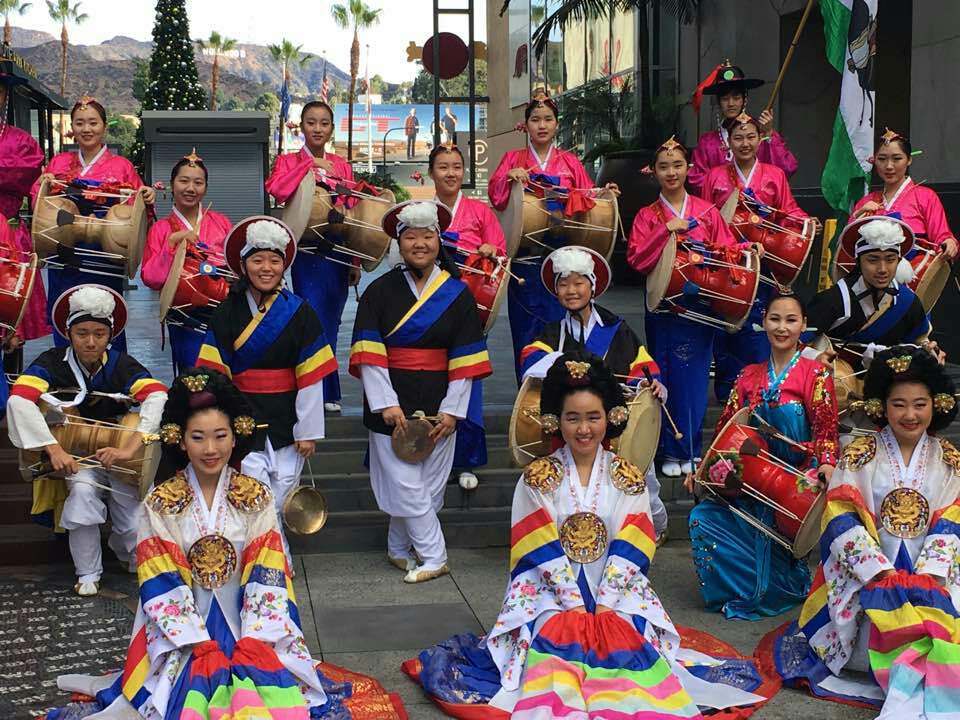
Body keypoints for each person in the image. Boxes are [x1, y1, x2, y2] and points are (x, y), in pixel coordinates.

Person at [404, 353, 771, 717]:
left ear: (610, 417)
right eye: (573, 418)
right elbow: (537, 545)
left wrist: (606, 604)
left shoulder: (628, 476)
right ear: (555, 420)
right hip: (549, 592)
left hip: (616, 589)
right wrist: (574, 605)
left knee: (625, 639)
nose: (584, 429)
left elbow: (634, 542)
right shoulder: (536, 478)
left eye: (593, 417)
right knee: (555, 641)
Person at [40, 368, 407, 719]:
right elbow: (159, 577)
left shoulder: (256, 496)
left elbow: (269, 570)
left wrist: (256, 637)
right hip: (184, 629)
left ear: (236, 436)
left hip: (252, 622)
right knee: (177, 698)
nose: (210, 448)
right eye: (198, 437)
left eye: (220, 435)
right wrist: (193, 639)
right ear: (180, 439)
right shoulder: (161, 501)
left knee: (271, 690)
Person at [767, 344, 960, 716]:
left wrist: (930, 576)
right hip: (871, 571)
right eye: (899, 404)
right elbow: (842, 517)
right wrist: (878, 572)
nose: (910, 414)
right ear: (881, 406)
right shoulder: (859, 454)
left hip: (932, 570)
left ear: (935, 405)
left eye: (920, 404)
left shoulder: (948, 460)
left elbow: (952, 519)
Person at [349, 200, 492, 583]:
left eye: (427, 236)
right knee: (406, 484)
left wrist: (453, 410)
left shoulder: (457, 293)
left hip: (440, 402)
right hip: (391, 402)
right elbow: (369, 352)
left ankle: (398, 548)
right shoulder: (378, 291)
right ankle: (434, 556)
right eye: (410, 236)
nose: (419, 244)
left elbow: (465, 356)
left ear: (438, 240)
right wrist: (385, 404)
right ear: (399, 242)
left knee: (427, 487)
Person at [683, 293, 840, 619]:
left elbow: (826, 428)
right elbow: (726, 431)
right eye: (775, 319)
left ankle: (780, 585)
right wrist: (702, 470)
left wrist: (826, 462)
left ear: (804, 325)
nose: (782, 328)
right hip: (750, 480)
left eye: (791, 320)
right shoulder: (747, 376)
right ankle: (738, 589)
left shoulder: (816, 373)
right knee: (702, 517)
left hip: (795, 478)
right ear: (763, 322)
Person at [7, 284, 167, 596]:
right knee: (81, 495)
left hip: (116, 450)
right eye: (82, 333)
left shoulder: (121, 363)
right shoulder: (53, 361)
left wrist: (129, 449)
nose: (91, 342)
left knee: (132, 518)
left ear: (110, 335)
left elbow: (158, 395)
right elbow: (19, 399)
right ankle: (88, 572)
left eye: (99, 334)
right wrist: (54, 450)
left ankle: (129, 556)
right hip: (75, 453)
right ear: (69, 333)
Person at [519, 245, 670, 541]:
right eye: (564, 284)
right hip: (574, 424)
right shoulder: (550, 332)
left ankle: (654, 527)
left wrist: (647, 383)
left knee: (641, 478)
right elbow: (530, 362)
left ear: (592, 286)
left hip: (615, 420)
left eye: (578, 283)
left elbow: (642, 365)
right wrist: (569, 364)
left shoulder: (616, 328)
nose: (571, 291)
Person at [196, 216, 336, 531]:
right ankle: (270, 558)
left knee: (284, 495)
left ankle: (272, 557)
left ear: (284, 265)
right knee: (252, 499)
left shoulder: (300, 312)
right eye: (257, 260)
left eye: (274, 261)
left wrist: (308, 430)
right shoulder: (226, 311)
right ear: (243, 265)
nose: (266, 268)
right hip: (242, 416)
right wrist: (221, 425)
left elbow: (311, 378)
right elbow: (214, 376)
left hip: (289, 417)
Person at [627, 136, 750, 478]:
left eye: (678, 165)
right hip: (664, 309)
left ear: (688, 169)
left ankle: (691, 449)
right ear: (653, 172)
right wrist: (665, 231)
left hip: (701, 306)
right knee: (664, 375)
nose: (671, 173)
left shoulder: (708, 212)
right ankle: (669, 449)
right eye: (664, 167)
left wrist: (739, 251)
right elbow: (637, 259)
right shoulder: (647, 215)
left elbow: (728, 251)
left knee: (695, 381)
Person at [488, 90, 618, 382]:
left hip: (563, 260)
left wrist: (604, 193)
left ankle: (564, 391)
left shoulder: (569, 161)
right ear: (525, 126)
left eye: (548, 119)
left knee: (565, 329)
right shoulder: (513, 158)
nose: (542, 125)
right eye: (535, 119)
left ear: (557, 124)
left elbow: (587, 195)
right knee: (527, 332)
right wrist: (509, 177)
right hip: (527, 261)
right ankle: (528, 393)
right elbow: (496, 196)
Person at [31, 95, 156, 353]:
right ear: (72, 127)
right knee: (66, 317)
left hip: (105, 255)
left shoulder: (122, 166)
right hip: (64, 253)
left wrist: (146, 199)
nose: (86, 129)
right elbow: (40, 206)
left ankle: (111, 372)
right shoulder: (59, 163)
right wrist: (43, 185)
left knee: (106, 319)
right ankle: (69, 373)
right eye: (80, 123)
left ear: (104, 126)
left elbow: (137, 216)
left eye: (93, 122)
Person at [701, 112, 811, 403]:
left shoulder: (774, 174)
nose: (745, 143)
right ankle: (728, 395)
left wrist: (804, 223)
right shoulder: (714, 176)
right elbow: (705, 219)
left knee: (759, 330)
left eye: (751, 136)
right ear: (728, 143)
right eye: (738, 137)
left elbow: (788, 210)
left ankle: (760, 392)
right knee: (726, 329)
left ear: (760, 139)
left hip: (765, 264)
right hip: (728, 265)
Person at [265, 100, 358, 413]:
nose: (317, 129)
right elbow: (277, 190)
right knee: (312, 316)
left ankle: (328, 389)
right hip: (306, 252)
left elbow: (352, 210)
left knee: (332, 319)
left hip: (338, 251)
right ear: (301, 127)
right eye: (311, 122)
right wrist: (308, 167)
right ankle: (312, 388)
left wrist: (355, 261)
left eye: (324, 123)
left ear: (331, 129)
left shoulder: (342, 165)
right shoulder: (288, 161)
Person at [431, 143, 506, 489]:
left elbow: (500, 254)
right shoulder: (423, 213)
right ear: (431, 172)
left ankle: (466, 460)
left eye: (456, 167)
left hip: (471, 307)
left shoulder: (480, 212)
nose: (451, 173)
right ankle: (432, 456)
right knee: (432, 383)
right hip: (430, 309)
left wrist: (492, 251)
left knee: (469, 384)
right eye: (443, 166)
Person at [141, 148, 232, 374]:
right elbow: (151, 278)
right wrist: (172, 243)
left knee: (225, 374)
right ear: (172, 185)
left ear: (206, 188)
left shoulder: (221, 222)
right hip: (185, 319)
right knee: (193, 376)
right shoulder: (161, 228)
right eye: (183, 181)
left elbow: (236, 266)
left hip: (224, 314)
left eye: (198, 183)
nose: (190, 188)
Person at [806, 215, 932, 359]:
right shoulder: (832, 300)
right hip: (836, 370)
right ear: (858, 262)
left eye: (890, 260)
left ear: (899, 261)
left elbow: (919, 342)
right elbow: (796, 344)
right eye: (873, 260)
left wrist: (930, 351)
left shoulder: (908, 301)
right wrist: (816, 357)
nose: (882, 269)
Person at [688, 61, 797, 196]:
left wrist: (768, 134)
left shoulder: (761, 134)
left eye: (736, 97)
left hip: (760, 205)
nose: (731, 103)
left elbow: (786, 169)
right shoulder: (707, 142)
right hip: (722, 207)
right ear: (719, 102)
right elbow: (696, 180)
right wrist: (731, 189)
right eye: (725, 99)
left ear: (744, 100)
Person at [851, 127, 959, 259]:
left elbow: (941, 236)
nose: (889, 166)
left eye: (897, 159)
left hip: (916, 268)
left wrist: (948, 243)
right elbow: (848, 245)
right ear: (874, 161)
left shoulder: (926, 197)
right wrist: (858, 217)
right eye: (882, 159)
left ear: (909, 160)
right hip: (875, 269)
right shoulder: (866, 201)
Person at [0, 71, 51, 342]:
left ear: (5, 96)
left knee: (12, 318)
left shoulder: (22, 142)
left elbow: (26, 174)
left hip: (9, 236)